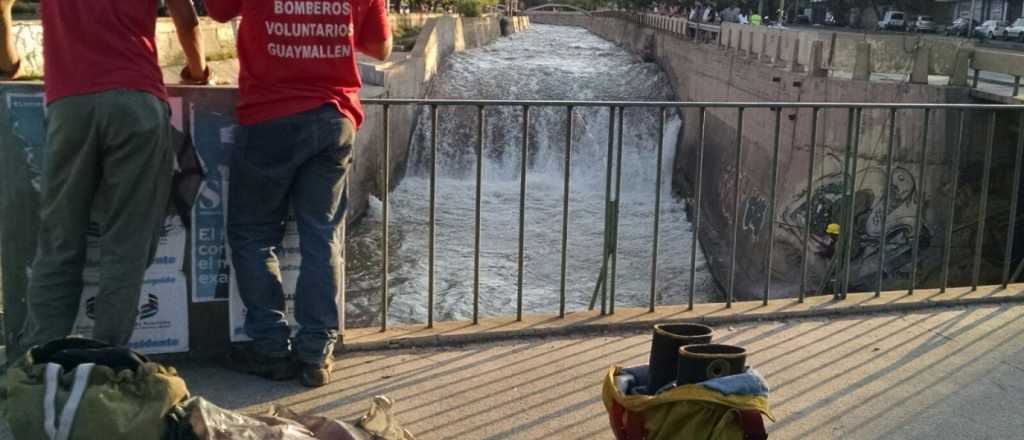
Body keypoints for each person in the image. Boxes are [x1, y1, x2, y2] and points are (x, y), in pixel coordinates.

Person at [4, 0, 208, 360]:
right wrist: (198, 70)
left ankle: (38, 357)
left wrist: (10, 61)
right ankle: (106, 358)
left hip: (70, 105)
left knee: (59, 238)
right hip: (136, 100)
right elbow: (186, 18)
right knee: (127, 241)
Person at [205, 0, 392, 387]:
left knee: (253, 235)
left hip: (269, 117)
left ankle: (271, 347)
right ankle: (315, 353)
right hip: (333, 116)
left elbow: (217, 10)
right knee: (321, 235)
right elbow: (381, 48)